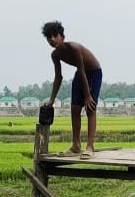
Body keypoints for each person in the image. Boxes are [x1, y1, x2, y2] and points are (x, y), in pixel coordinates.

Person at [42, 21, 102, 158]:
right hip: (80, 74)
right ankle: (76, 146)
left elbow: (82, 70)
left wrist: (87, 96)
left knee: (90, 108)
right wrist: (52, 100)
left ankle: (90, 147)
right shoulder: (55, 55)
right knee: (75, 109)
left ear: (62, 36)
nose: (52, 39)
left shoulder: (74, 48)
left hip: (93, 73)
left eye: (55, 36)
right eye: (49, 37)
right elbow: (58, 77)